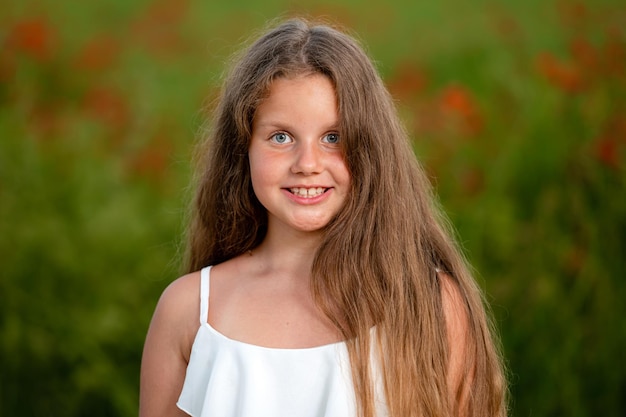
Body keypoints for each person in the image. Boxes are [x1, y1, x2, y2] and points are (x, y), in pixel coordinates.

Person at [139, 17, 507, 417]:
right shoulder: (189, 311)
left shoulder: (428, 305)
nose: (308, 164)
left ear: (370, 148)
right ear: (241, 148)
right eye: (281, 137)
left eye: (333, 137)